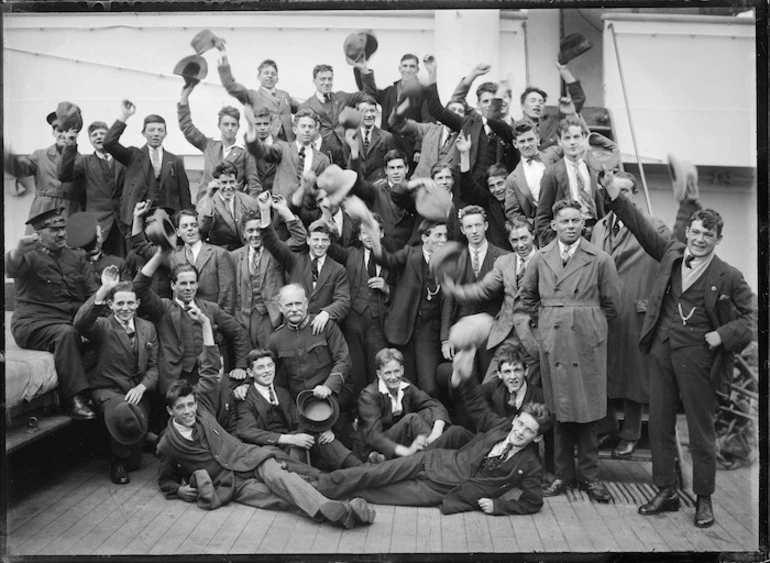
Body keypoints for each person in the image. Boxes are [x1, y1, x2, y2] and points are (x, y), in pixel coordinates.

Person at [603, 170, 755, 528]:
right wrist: (612, 191)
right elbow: (638, 223)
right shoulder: (670, 252)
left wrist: (724, 335)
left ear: (719, 239)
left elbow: (751, 318)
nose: (700, 239)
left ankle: (703, 499)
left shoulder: (728, 275)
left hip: (698, 360)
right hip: (661, 352)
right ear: (688, 232)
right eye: (696, 232)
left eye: (709, 235)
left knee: (701, 431)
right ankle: (666, 490)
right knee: (658, 425)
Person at [157, 305, 376, 528]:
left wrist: (205, 324)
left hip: (250, 458)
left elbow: (211, 367)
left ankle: (337, 506)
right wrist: (177, 489)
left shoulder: (202, 407)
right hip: (231, 483)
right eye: (181, 408)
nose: (188, 411)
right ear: (170, 411)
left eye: (190, 405)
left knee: (284, 479)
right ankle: (345, 512)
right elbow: (164, 478)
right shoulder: (167, 443)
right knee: (279, 498)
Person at [313, 347, 552, 516]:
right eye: (520, 423)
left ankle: (320, 486)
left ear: (537, 437)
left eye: (528, 430)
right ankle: (317, 486)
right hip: (429, 460)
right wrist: (464, 370)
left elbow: (533, 502)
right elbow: (476, 403)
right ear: (516, 419)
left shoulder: (529, 465)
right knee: (373, 474)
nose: (519, 431)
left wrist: (499, 507)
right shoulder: (501, 425)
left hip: (441, 489)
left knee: (381, 492)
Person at [518, 199, 620, 504]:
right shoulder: (540, 259)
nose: (571, 226)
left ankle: (591, 477)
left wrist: (588, 322)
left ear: (584, 224)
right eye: (565, 221)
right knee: (559, 410)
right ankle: (562, 474)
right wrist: (549, 321)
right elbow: (526, 297)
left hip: (587, 340)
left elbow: (613, 305)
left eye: (576, 221)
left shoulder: (600, 259)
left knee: (588, 412)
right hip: (555, 340)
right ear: (554, 225)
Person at [590, 171, 671, 458]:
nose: (619, 195)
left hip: (636, 311)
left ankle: (631, 433)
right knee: (602, 371)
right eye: (615, 190)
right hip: (605, 312)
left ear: (634, 195)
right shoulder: (599, 227)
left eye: (626, 191)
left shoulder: (654, 225)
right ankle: (608, 427)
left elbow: (670, 259)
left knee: (634, 376)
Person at [5, 208, 99, 420]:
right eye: (54, 230)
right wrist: (18, 250)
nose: (61, 234)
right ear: (38, 234)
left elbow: (93, 293)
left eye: (63, 228)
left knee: (107, 332)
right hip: (33, 324)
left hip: (70, 323)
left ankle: (99, 391)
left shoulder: (76, 256)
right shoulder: (28, 257)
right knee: (66, 334)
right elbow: (11, 266)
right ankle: (74, 398)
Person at [73, 267, 158, 484]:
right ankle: (117, 460)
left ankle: (136, 445)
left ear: (138, 304)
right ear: (110, 305)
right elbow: (80, 323)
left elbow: (154, 367)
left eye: (130, 303)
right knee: (122, 411)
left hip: (136, 392)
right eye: (119, 303)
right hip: (107, 390)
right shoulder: (102, 325)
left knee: (136, 464)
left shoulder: (148, 328)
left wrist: (142, 388)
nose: (125, 308)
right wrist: (105, 289)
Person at [133, 244, 250, 396]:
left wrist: (240, 366)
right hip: (174, 379)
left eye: (192, 283)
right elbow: (139, 288)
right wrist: (159, 256)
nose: (188, 288)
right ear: (173, 285)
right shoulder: (164, 308)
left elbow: (239, 333)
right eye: (183, 283)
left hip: (205, 377)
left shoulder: (210, 309)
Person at [441, 219, 540, 385]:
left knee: (529, 390)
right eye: (515, 240)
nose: (520, 245)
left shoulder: (545, 260)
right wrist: (456, 290)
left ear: (533, 236)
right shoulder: (504, 262)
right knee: (490, 386)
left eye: (524, 238)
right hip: (506, 335)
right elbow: (483, 289)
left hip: (535, 338)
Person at [234, 348, 361, 472]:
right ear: (250, 372)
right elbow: (246, 431)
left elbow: (299, 420)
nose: (267, 371)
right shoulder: (245, 397)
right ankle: (317, 480)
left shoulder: (282, 392)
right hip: (267, 448)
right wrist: (289, 439)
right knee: (291, 449)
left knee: (321, 437)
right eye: (260, 368)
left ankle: (361, 468)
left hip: (291, 441)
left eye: (270, 365)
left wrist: (323, 430)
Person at [366, 219, 449, 398]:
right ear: (425, 238)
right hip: (402, 327)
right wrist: (374, 240)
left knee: (429, 386)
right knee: (405, 383)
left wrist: (445, 338)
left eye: (445, 235)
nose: (443, 240)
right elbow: (386, 260)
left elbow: (448, 303)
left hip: (428, 330)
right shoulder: (410, 253)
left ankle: (431, 419)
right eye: (438, 235)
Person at [258, 194, 351, 328]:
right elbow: (272, 243)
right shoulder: (294, 259)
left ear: (330, 242)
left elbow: (343, 300)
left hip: (323, 331)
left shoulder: (337, 269)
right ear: (308, 240)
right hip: (294, 328)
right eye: (316, 240)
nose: (320, 244)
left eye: (324, 240)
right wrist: (265, 211)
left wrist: (326, 313)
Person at [326, 214, 393, 395]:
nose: (369, 236)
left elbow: (405, 291)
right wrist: (327, 218)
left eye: (373, 231)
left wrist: (387, 288)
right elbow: (328, 245)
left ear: (382, 233)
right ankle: (359, 411)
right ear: (359, 236)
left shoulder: (393, 258)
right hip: (352, 320)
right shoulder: (350, 254)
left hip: (378, 321)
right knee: (356, 370)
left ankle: (379, 405)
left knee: (377, 366)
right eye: (364, 232)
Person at [440, 205, 509, 377]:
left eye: (478, 225)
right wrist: (446, 338)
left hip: (493, 331)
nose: (474, 231)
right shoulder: (455, 259)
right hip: (464, 331)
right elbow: (449, 299)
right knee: (467, 380)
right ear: (462, 230)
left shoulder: (503, 257)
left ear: (485, 226)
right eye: (469, 227)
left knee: (491, 379)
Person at [103, 100, 191, 234]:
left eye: (160, 130)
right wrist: (125, 116)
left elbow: (184, 196)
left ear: (165, 134)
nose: (156, 134)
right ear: (143, 133)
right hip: (137, 222)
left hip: (168, 222)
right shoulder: (133, 155)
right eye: (151, 130)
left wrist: (185, 220)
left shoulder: (175, 161)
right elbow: (109, 143)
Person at [230, 207, 308, 349]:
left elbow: (300, 239)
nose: (255, 235)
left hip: (271, 316)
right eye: (250, 231)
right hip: (245, 317)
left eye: (259, 230)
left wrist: (284, 210)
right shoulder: (234, 256)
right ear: (243, 233)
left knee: (271, 357)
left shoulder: (276, 251)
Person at [268, 284, 353, 410]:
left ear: (306, 304)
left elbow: (343, 360)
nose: (294, 309)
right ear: (280, 307)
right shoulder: (276, 338)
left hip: (333, 394)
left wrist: (328, 387)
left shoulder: (326, 326)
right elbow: (266, 367)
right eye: (289, 305)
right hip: (299, 401)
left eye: (298, 303)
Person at [357, 348, 450, 463]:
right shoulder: (369, 396)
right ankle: (439, 456)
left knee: (427, 413)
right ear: (379, 374)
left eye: (396, 371)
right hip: (376, 444)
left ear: (402, 370)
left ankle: (436, 450)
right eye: (387, 373)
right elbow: (374, 436)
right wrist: (407, 451)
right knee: (412, 419)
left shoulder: (405, 385)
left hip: (398, 436)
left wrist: (436, 433)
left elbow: (433, 404)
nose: (393, 377)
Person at [57, 120, 126, 256]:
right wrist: (70, 144)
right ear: (90, 140)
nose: (99, 137)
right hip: (98, 224)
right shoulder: (85, 162)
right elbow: (64, 175)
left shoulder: (123, 160)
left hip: (122, 223)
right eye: (94, 135)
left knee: (122, 263)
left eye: (102, 133)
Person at [5, 107, 84, 224]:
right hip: (43, 209)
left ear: (75, 134)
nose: (64, 135)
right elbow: (19, 169)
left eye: (67, 131)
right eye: (60, 131)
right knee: (39, 241)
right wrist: (7, 156)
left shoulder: (82, 160)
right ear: (53, 133)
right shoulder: (40, 156)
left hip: (70, 212)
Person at [535, 116, 605, 246]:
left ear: (583, 138)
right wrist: (556, 245)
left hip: (595, 235)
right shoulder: (551, 173)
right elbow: (542, 217)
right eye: (567, 138)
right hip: (567, 235)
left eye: (576, 137)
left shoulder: (594, 168)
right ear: (559, 141)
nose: (572, 142)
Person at [178, 82, 256, 200]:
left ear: (238, 127)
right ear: (219, 125)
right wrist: (184, 99)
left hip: (232, 206)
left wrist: (250, 206)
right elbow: (187, 128)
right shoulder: (208, 144)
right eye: (226, 124)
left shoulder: (244, 152)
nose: (230, 128)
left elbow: (253, 183)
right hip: (206, 202)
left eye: (233, 125)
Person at [244, 106, 330, 200]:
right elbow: (265, 152)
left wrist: (313, 184)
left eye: (310, 127)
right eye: (303, 126)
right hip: (282, 208)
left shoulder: (323, 160)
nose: (307, 130)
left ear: (315, 130)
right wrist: (251, 130)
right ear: (295, 129)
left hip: (308, 210)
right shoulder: (282, 148)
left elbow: (325, 190)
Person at [217, 47, 300, 143]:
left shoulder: (285, 95)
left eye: (273, 74)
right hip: (266, 144)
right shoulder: (253, 96)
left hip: (289, 144)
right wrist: (223, 62)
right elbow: (232, 86)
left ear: (277, 78)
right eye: (266, 73)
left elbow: (303, 108)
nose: (270, 76)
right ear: (258, 77)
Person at [345, 143, 416, 251]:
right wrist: (355, 154)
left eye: (399, 167)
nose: (396, 172)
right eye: (392, 168)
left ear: (406, 169)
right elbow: (357, 184)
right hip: (382, 252)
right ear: (386, 170)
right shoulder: (375, 190)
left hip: (408, 253)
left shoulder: (415, 192)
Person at [298, 61, 371, 154]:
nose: (327, 82)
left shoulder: (341, 97)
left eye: (330, 79)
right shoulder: (306, 106)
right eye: (322, 79)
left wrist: (364, 102)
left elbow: (368, 94)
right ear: (314, 81)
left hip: (346, 152)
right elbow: (301, 136)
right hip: (322, 155)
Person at [456, 132, 512, 251]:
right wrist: (464, 154)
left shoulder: (519, 199)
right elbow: (469, 188)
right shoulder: (489, 201)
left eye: (500, 183)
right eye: (492, 186)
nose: (497, 189)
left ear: (508, 181)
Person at [388, 96, 463, 181]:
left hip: (443, 191)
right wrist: (402, 104)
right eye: (453, 109)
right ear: (445, 113)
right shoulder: (429, 129)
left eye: (461, 111)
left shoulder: (465, 141)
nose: (456, 113)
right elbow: (397, 124)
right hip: (418, 186)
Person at [504, 119, 561, 229]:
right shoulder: (513, 178)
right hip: (540, 230)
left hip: (565, 221)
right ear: (515, 144)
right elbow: (512, 212)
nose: (527, 145)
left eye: (530, 139)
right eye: (522, 141)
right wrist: (531, 226)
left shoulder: (554, 156)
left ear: (538, 139)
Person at [518, 61, 586, 150]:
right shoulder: (516, 128)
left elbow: (578, 98)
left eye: (541, 102)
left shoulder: (553, 121)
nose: (537, 104)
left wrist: (563, 71)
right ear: (522, 106)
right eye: (533, 101)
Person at [196, 161, 260, 251]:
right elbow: (203, 228)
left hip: (246, 251)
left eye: (231, 182)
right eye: (224, 182)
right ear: (216, 182)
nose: (228, 187)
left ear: (237, 182)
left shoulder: (248, 201)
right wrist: (209, 196)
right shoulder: (205, 202)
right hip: (220, 252)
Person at [350, 94, 397, 182]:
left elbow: (392, 165)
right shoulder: (350, 137)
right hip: (357, 187)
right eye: (364, 111)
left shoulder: (387, 137)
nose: (369, 115)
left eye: (372, 111)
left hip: (379, 187)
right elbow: (347, 165)